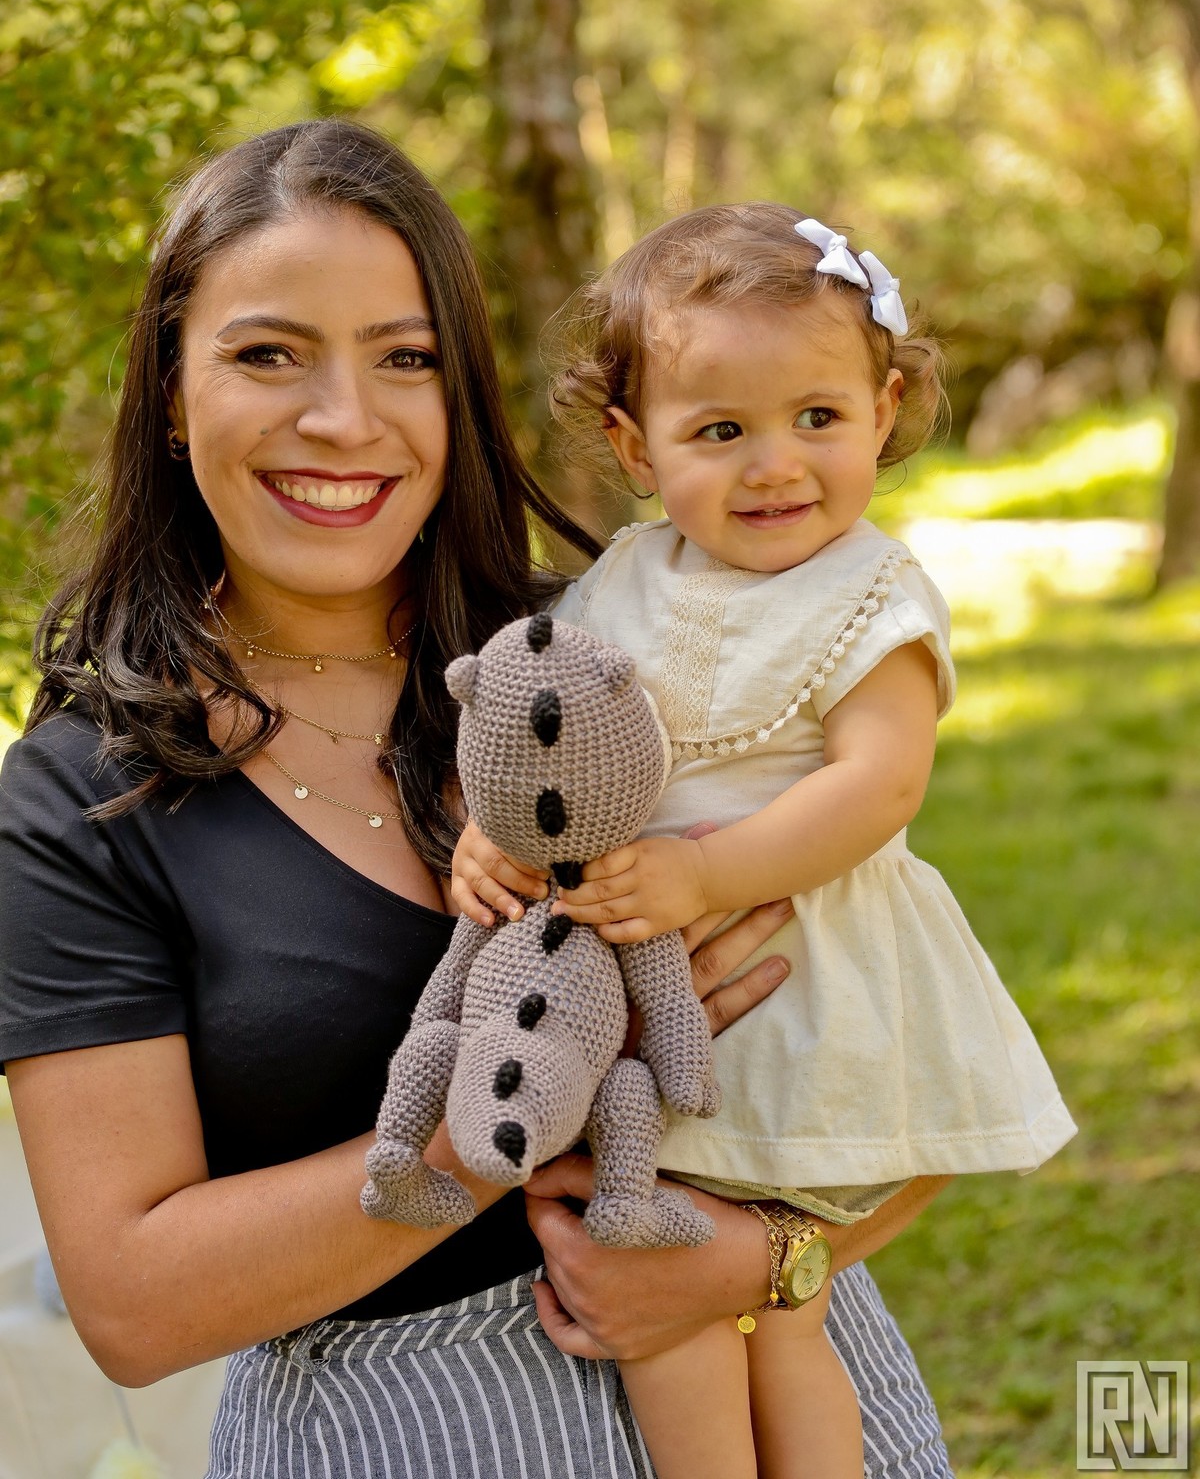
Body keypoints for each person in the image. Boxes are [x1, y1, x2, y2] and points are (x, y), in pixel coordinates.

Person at [0, 124, 956, 1479]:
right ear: (169, 390)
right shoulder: (84, 800)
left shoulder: (618, 661)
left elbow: (916, 1042)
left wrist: (769, 1262)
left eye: (406, 359)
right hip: (400, 1436)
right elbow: (132, 1305)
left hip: (778, 1389)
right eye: (269, 355)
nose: (344, 419)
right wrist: (489, 1128)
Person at [452, 203, 1077, 1479]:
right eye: (721, 432)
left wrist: (705, 870)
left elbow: (880, 786)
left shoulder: (872, 593)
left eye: (817, 418)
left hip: (797, 986)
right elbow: (546, 725)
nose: (775, 466)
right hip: (643, 980)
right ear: (635, 446)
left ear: (884, 411)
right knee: (668, 1310)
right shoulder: (625, 578)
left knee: (779, 1309)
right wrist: (490, 832)